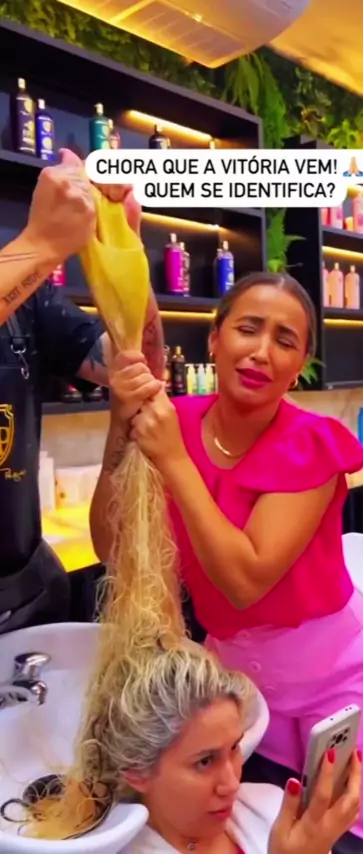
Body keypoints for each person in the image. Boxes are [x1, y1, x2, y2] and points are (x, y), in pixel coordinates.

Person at [90, 272, 363, 854]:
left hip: (336, 675)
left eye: (285, 341)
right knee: (257, 818)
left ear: (300, 364)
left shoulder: (311, 444)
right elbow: (111, 546)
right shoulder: (176, 421)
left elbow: (245, 581)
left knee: (346, 827)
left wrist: (174, 460)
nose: (262, 351)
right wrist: (119, 423)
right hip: (240, 680)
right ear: (215, 340)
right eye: (248, 329)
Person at [0, 149, 164, 634]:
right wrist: (41, 243)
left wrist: (125, 252)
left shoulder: (28, 296)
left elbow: (139, 364)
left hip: (26, 589)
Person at [95, 642, 362, 853]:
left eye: (234, 748)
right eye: (205, 761)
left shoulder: (271, 807)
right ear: (138, 772)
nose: (232, 784)